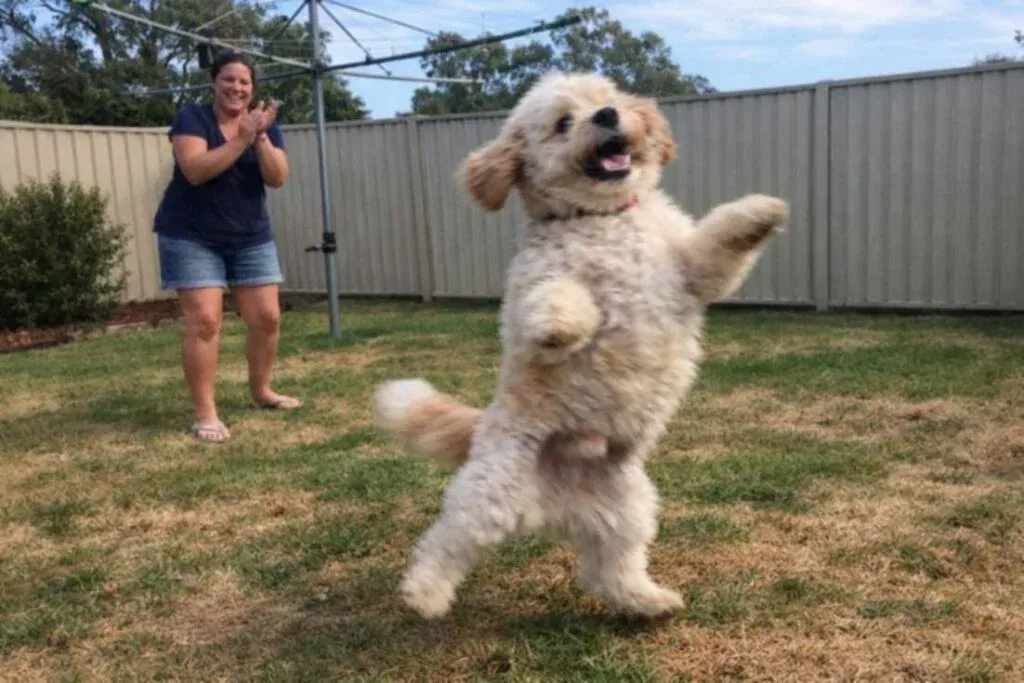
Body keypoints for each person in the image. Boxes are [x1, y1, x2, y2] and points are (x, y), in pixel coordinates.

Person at [153, 51, 301, 444]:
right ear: (214, 83)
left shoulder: (264, 126)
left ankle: (261, 391)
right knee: (205, 322)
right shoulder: (192, 118)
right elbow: (196, 170)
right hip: (191, 234)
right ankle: (206, 414)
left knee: (267, 318)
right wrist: (242, 139)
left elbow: (279, 177)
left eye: (244, 82)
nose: (237, 87)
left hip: (249, 235)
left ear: (253, 89)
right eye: (228, 79)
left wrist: (262, 137)